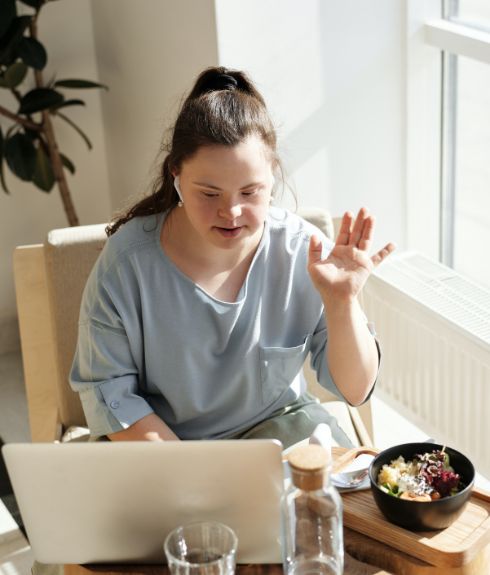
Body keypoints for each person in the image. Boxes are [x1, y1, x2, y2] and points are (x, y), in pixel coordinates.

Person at [69, 66, 395, 448]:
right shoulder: (127, 264)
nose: (232, 212)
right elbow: (112, 395)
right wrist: (201, 477)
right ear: (176, 174)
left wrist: (343, 304)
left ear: (272, 176)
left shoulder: (303, 251)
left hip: (282, 437)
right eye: (209, 193)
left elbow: (354, 391)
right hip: (167, 448)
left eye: (250, 192)